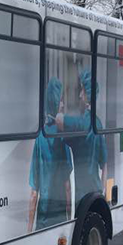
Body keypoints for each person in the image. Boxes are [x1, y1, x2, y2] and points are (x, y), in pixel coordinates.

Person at [56, 70, 108, 210]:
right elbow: (104, 165)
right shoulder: (98, 124)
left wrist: (58, 104)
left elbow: (58, 120)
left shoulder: (80, 124)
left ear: (87, 96)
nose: (79, 95)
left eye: (82, 91)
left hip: (83, 196)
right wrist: (102, 192)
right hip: (96, 191)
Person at [28, 78, 74, 232]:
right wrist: (69, 220)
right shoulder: (62, 137)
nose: (63, 104)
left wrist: (29, 229)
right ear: (55, 103)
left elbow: (34, 192)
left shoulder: (39, 137)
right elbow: (67, 186)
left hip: (42, 218)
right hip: (59, 217)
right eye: (61, 100)